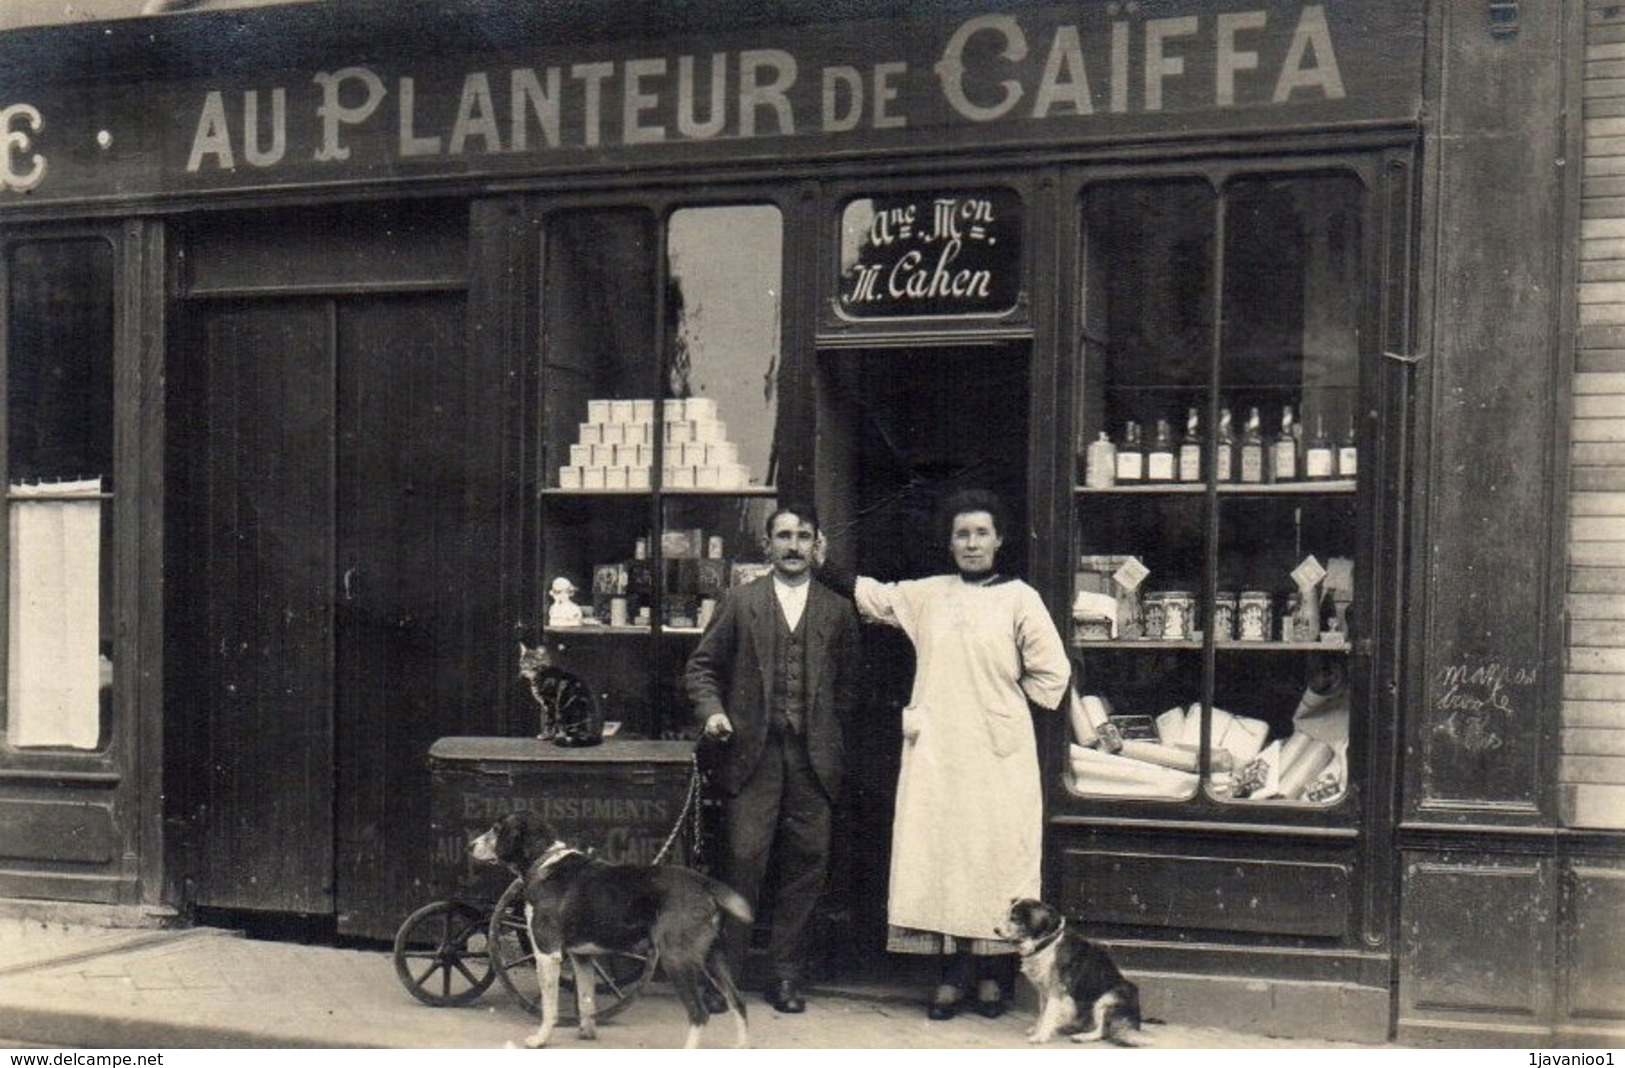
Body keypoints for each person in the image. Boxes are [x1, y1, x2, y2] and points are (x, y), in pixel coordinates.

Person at [847, 488, 1071, 1020]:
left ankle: (993, 980)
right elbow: (872, 596)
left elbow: (1053, 673)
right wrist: (819, 562)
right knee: (943, 860)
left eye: (981, 533)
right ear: (949, 544)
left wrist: (1004, 708)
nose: (972, 543)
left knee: (993, 861)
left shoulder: (1021, 598)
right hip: (939, 753)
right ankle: (951, 979)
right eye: (962, 534)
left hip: (999, 756)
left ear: (999, 540)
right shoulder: (929, 594)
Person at [685, 504, 860, 1014]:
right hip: (752, 759)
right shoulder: (741, 602)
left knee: (807, 866)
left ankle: (785, 975)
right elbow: (701, 669)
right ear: (767, 544)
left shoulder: (837, 610)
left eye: (803, 537)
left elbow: (850, 689)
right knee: (743, 862)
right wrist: (714, 712)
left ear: (816, 545)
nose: (793, 545)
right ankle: (727, 975)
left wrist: (825, 732)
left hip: (813, 763)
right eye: (783, 535)